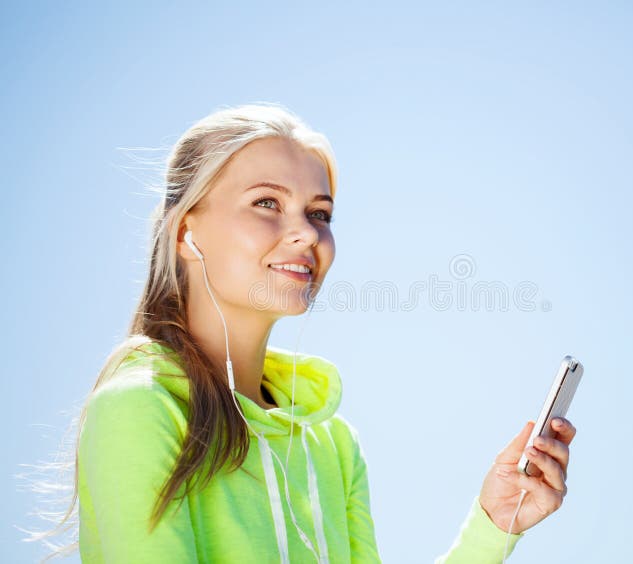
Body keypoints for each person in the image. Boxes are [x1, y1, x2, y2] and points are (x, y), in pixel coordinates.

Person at [36, 104, 577, 562]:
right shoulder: (140, 408)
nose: (304, 233)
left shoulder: (332, 444)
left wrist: (494, 523)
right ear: (186, 230)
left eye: (319, 213)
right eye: (266, 203)